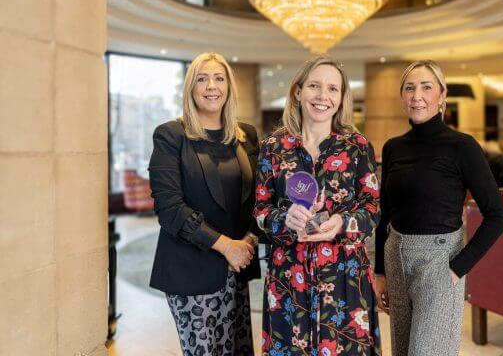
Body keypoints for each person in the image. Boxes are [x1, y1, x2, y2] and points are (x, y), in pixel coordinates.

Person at [373, 60, 503, 355]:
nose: (417, 96)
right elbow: (385, 215)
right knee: (402, 351)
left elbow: (497, 216)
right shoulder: (393, 147)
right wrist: (380, 272)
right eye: (409, 88)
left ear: (442, 94)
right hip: (396, 258)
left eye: (426, 87)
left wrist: (457, 269)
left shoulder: (462, 146)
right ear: (402, 96)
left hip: (440, 262)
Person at [253, 57, 381, 355]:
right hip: (288, 280)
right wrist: (284, 219)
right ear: (298, 91)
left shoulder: (357, 146)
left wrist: (342, 223)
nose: (323, 95)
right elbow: (260, 211)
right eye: (314, 86)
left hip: (345, 279)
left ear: (341, 98)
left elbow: (372, 208)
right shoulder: (273, 147)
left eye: (333, 89)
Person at [149, 52, 261, 355]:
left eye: (219, 78)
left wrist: (248, 241)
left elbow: (261, 198)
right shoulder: (171, 136)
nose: (212, 86)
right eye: (202, 79)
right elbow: (170, 209)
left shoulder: (246, 136)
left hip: (237, 268)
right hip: (191, 271)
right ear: (191, 88)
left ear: (229, 87)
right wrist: (226, 247)